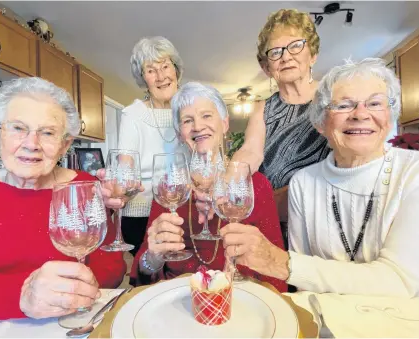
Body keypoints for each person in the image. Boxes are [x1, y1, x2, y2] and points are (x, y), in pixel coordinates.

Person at [220, 58, 419, 297]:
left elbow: (401, 282)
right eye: (344, 105)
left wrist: (281, 263)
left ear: (390, 116)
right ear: (320, 123)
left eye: (375, 103)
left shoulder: (412, 173)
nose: (360, 114)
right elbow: (304, 286)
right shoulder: (304, 183)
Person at [0, 77, 126, 321]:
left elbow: (113, 270)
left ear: (64, 144)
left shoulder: (84, 186)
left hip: (72, 327)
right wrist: (22, 295)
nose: (31, 144)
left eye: (47, 133)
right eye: (17, 128)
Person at [130, 82, 287, 293]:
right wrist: (153, 257)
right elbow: (143, 273)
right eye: (187, 120)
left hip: (240, 300)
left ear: (225, 123)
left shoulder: (255, 184)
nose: (197, 126)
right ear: (179, 134)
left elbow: (275, 272)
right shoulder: (169, 187)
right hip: (177, 301)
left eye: (206, 116)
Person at [230, 9, 330, 241]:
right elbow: (250, 152)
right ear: (267, 67)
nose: (286, 57)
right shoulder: (262, 108)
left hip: (317, 220)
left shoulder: (331, 98)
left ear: (312, 54)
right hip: (270, 221)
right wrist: (229, 182)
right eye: (275, 52)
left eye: (295, 46)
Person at [112, 36, 186, 257]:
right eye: (151, 70)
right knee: (151, 278)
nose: (161, 76)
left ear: (176, 70)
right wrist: (123, 185)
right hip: (141, 214)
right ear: (143, 78)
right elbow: (125, 165)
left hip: (186, 210)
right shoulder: (133, 114)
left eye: (165, 66)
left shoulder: (190, 110)